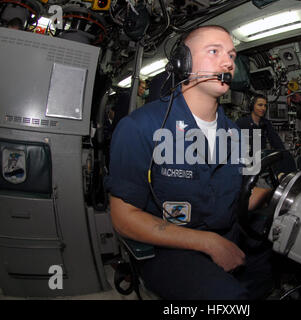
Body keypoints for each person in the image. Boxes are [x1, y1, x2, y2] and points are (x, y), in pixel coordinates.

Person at [105, 25, 275, 300]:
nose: (227, 62)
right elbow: (123, 218)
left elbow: (243, 193)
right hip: (170, 249)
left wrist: (278, 196)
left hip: (230, 235)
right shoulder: (139, 127)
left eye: (231, 55)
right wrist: (206, 243)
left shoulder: (235, 133)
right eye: (214, 51)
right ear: (183, 62)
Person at [236, 94, 296, 175]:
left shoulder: (265, 123)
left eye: (265, 106)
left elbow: (277, 142)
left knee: (286, 156)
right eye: (260, 105)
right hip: (245, 162)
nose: (263, 108)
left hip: (261, 160)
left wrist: (283, 154)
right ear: (252, 106)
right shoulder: (242, 123)